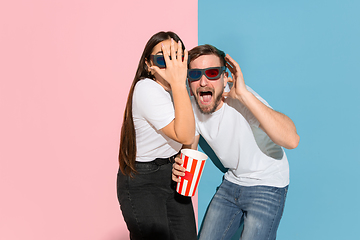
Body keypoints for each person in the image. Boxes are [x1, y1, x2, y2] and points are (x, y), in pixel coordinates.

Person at [172, 44, 300, 240]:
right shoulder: (192, 106)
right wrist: (181, 166)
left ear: (225, 78)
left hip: (268, 183)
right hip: (232, 183)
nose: (203, 81)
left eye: (212, 73)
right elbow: (190, 148)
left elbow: (292, 140)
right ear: (189, 80)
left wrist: (245, 96)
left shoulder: (243, 100)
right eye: (196, 74)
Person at [117, 31, 197, 240]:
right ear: (147, 65)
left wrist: (182, 159)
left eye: (175, 57)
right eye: (162, 59)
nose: (170, 65)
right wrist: (180, 83)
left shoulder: (178, 92)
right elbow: (185, 135)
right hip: (145, 180)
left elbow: (192, 136)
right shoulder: (147, 89)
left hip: (171, 174)